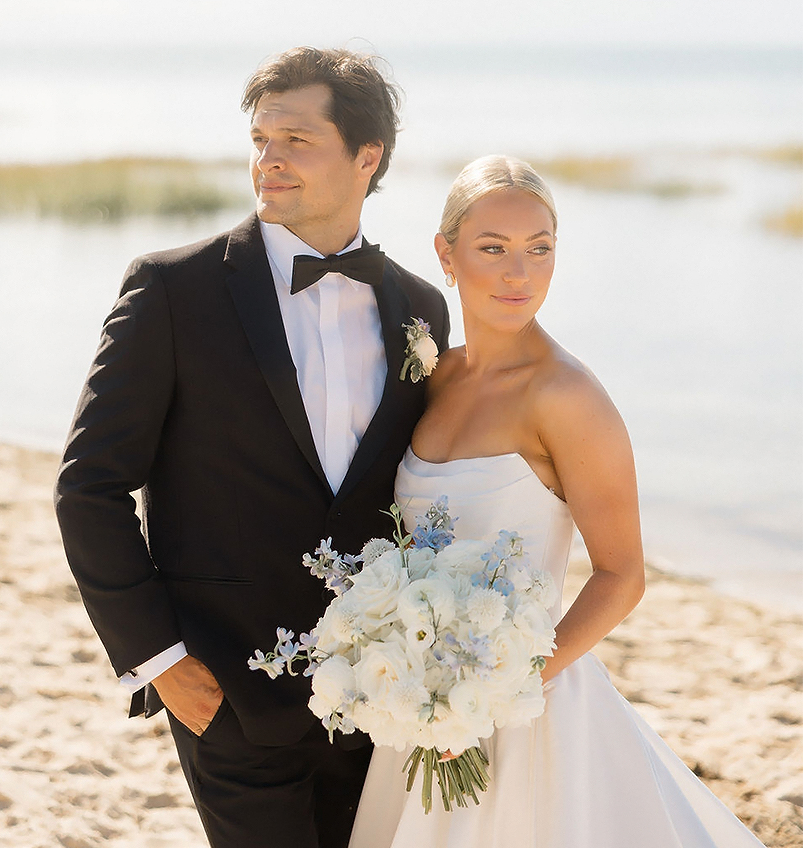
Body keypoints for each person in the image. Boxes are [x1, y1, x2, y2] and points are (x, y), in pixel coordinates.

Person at [54, 47, 449, 848]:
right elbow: (88, 486)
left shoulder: (421, 309)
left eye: (297, 140)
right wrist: (161, 662)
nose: (269, 158)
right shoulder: (172, 290)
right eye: (261, 139)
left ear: (367, 157)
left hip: (382, 692)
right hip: (228, 687)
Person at [348, 155, 764, 847]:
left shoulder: (567, 396)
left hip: (527, 705)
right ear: (446, 255)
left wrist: (500, 691)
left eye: (539, 249)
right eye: (493, 248)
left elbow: (622, 576)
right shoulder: (438, 377)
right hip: (428, 702)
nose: (520, 273)